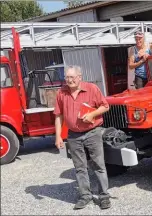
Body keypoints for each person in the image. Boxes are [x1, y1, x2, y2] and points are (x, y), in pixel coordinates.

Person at [54, 65, 111, 209]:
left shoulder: (92, 88)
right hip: (73, 135)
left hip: (92, 132)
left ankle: (104, 196)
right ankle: (85, 196)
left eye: (72, 77)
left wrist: (92, 114)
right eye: (67, 77)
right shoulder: (61, 92)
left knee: (98, 165)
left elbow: (105, 106)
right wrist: (58, 136)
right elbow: (58, 116)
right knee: (80, 168)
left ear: (80, 77)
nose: (69, 80)